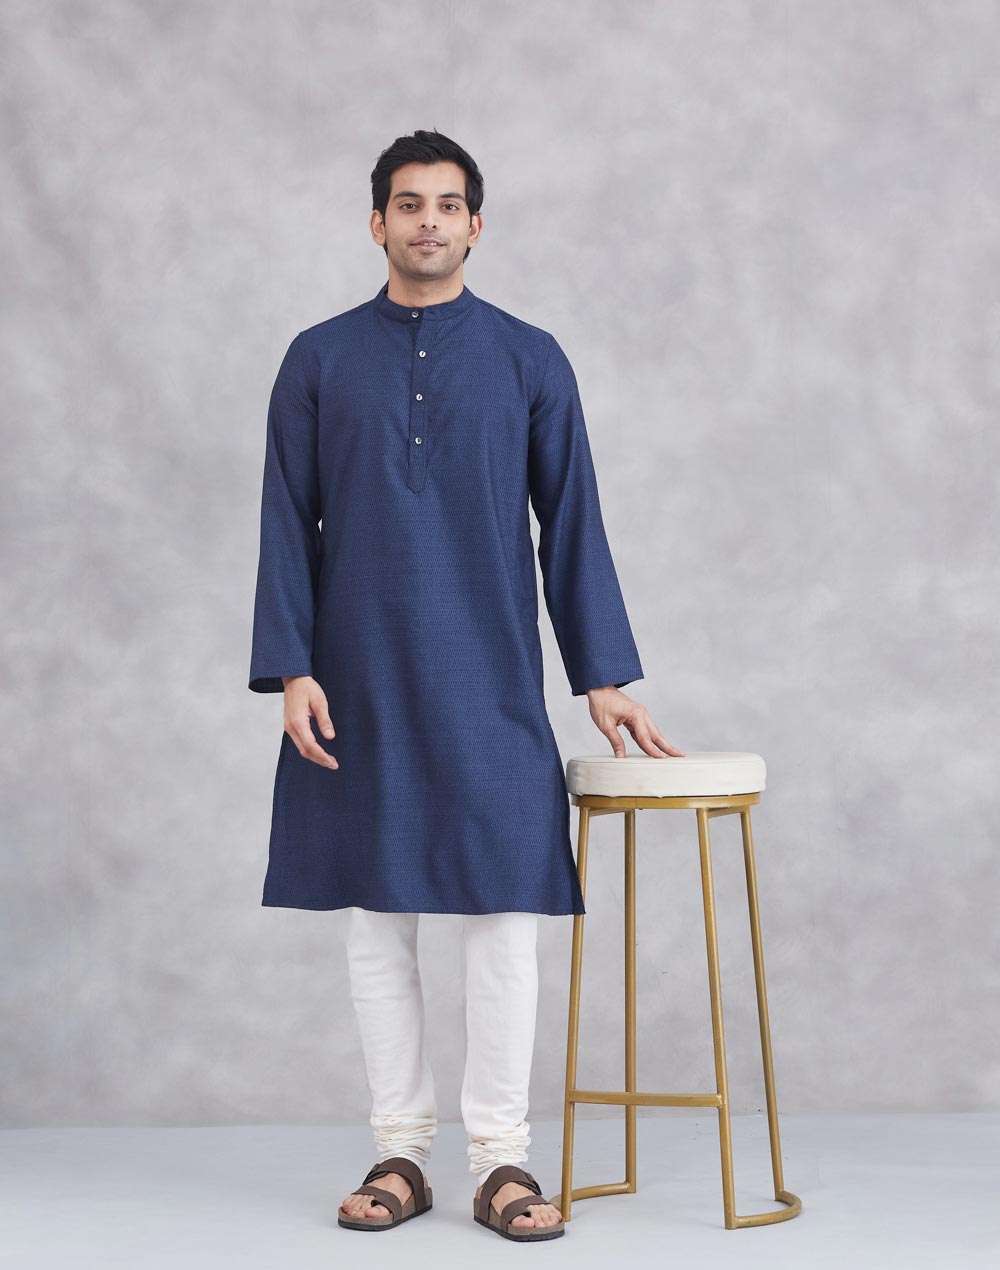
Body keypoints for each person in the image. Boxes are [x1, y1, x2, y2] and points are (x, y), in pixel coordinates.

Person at [248, 128, 684, 1240]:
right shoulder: (317, 358)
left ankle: (501, 1162)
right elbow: (285, 521)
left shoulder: (529, 357)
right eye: (409, 204)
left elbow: (571, 520)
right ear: (377, 222)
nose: (429, 221)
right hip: (355, 675)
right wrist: (292, 665)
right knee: (377, 916)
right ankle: (401, 1153)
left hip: (490, 675)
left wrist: (603, 677)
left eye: (448, 205)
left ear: (477, 226)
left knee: (503, 914)